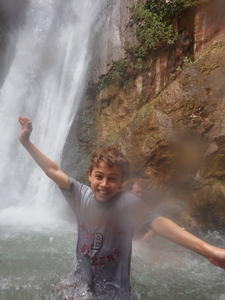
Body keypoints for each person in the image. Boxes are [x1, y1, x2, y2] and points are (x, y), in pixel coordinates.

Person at [18, 117, 225, 300]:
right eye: (99, 177)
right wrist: (26, 142)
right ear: (89, 175)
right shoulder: (80, 195)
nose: (104, 184)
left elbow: (159, 223)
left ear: (121, 182)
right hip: (80, 286)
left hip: (113, 293)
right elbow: (52, 169)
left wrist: (209, 250)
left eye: (112, 179)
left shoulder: (127, 203)